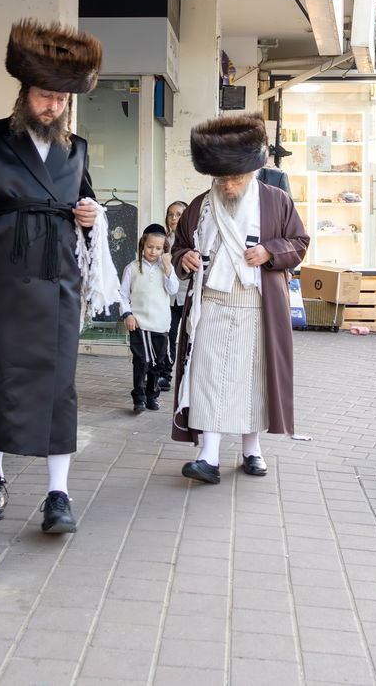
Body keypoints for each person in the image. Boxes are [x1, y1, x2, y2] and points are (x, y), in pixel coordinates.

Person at [0, 19, 118, 535]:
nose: (54, 106)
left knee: (58, 385)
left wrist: (88, 217)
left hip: (57, 278)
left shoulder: (76, 148)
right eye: (45, 96)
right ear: (25, 94)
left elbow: (85, 204)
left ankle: (57, 493)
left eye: (62, 100)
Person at [170, 113, 310, 484]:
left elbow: (299, 243)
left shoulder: (276, 201)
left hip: (256, 303)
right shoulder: (200, 205)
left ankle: (253, 450)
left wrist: (269, 251)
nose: (229, 186)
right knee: (207, 376)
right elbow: (181, 246)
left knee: (254, 379)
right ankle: (209, 456)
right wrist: (182, 258)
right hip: (211, 302)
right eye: (223, 179)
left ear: (251, 173)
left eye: (236, 178)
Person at [120, 224, 179, 413]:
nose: (153, 251)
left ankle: (152, 395)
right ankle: (139, 397)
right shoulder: (132, 268)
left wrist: (168, 267)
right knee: (142, 361)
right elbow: (122, 294)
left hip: (160, 324)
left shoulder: (166, 269)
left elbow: (173, 290)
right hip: (140, 323)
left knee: (158, 363)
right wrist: (127, 314)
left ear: (164, 250)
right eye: (150, 247)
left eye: (158, 248)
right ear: (142, 246)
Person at [159, 200, 189, 391]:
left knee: (188, 337)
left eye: (178, 214)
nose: (174, 218)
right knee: (168, 335)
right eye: (171, 214)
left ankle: (187, 377)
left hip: (187, 295)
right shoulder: (162, 240)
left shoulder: (192, 240)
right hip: (168, 297)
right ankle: (165, 375)